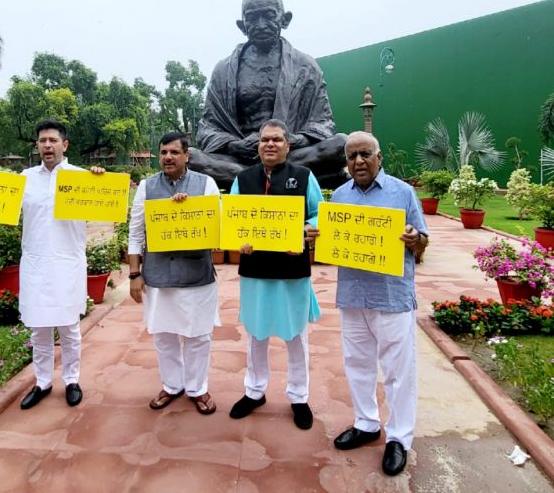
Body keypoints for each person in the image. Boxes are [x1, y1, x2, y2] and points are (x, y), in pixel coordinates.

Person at [331, 131, 429, 476]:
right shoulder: (340, 197)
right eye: (351, 156)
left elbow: (423, 241)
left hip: (391, 296)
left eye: (364, 154)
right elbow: (332, 243)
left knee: (398, 372)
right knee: (357, 364)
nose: (358, 161)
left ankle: (399, 438)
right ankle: (366, 423)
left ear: (378, 157)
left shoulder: (402, 193)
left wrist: (415, 239)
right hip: (353, 294)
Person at [0, 118, 88, 410]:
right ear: (37, 145)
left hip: (68, 262)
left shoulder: (82, 178)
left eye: (53, 140)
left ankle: (72, 380)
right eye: (42, 141)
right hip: (36, 263)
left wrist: (99, 178)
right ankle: (42, 382)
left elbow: (105, 201)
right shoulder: (24, 179)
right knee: (38, 329)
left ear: (65, 145)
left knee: (69, 327)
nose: (47, 145)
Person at [189, 0, 347, 190]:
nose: (260, 25)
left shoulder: (305, 66)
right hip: (240, 157)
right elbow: (208, 128)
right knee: (190, 156)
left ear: (285, 19)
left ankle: (247, 180)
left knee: (342, 144)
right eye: (252, 18)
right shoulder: (223, 70)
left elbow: (323, 123)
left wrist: (290, 140)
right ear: (242, 25)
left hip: (290, 153)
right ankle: (281, 178)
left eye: (269, 15)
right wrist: (233, 145)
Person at [228, 119, 322, 430]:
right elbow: (234, 218)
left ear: (288, 145)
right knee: (256, 333)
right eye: (265, 140)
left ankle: (298, 396)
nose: (270, 144)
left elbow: (317, 213)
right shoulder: (243, 179)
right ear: (258, 145)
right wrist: (237, 239)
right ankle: (254, 391)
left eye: (277, 140)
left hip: (292, 269)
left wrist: (307, 231)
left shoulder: (304, 176)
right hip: (255, 270)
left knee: (296, 335)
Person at [128, 131, 221, 415]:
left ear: (186, 156)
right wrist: (134, 274)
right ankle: (171, 385)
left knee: (198, 335)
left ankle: (197, 387)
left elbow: (217, 230)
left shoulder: (205, 184)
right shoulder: (147, 186)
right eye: (164, 152)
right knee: (164, 335)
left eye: (174, 152)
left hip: (197, 275)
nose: (168, 157)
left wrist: (189, 209)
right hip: (158, 275)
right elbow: (135, 231)